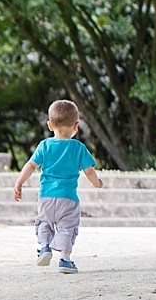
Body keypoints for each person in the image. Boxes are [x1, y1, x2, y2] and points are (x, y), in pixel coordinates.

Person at [12, 99, 103, 274]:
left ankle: (45, 247)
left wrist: (19, 183)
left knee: (44, 222)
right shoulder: (78, 147)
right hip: (68, 198)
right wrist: (97, 183)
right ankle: (65, 260)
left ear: (50, 125)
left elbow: (31, 165)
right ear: (76, 126)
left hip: (46, 196)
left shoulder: (44, 145)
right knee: (67, 227)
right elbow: (89, 171)